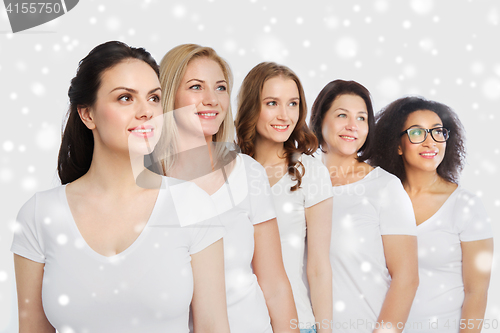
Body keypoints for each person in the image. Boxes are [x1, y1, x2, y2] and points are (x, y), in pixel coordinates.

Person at [11, 41, 229, 333]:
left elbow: (213, 326)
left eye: (154, 98)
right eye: (126, 98)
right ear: (87, 114)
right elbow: (31, 328)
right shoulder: (39, 214)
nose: (146, 112)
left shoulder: (192, 205)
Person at [158, 44, 299, 333]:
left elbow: (275, 286)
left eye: (220, 88)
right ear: (169, 95)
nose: (211, 99)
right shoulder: (145, 180)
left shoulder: (249, 173)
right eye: (196, 87)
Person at [371, 96, 494, 333]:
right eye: (417, 133)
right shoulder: (378, 199)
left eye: (438, 132)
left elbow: (476, 292)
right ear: (397, 145)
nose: (430, 143)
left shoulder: (466, 205)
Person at [309, 80, 419, 333]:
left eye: (361, 118)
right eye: (341, 115)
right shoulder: (300, 183)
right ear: (319, 119)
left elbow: (406, 279)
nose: (352, 126)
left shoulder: (384, 187)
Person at [235, 62, 333, 333]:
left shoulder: (310, 171)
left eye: (293, 104)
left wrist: (325, 330)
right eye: (272, 103)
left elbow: (319, 267)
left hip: (297, 324)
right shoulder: (228, 169)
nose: (284, 115)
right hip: (238, 323)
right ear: (251, 106)